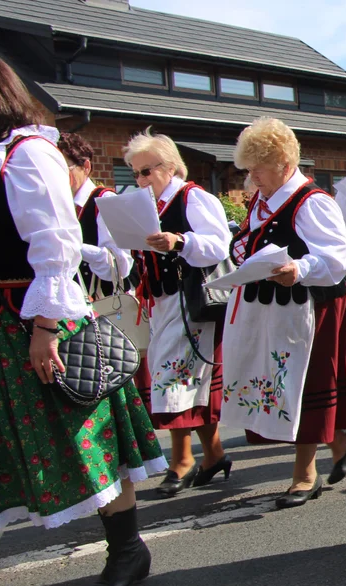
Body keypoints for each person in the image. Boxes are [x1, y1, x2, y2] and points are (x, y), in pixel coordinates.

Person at [0, 50, 167, 586]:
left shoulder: (29, 153)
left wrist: (44, 326)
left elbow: (56, 247)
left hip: (38, 321)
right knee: (2, 442)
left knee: (84, 437)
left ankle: (128, 549)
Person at [219, 117, 346, 508]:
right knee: (288, 380)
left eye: (258, 166)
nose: (251, 175)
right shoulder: (262, 199)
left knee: (306, 384)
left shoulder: (312, 202)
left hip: (313, 307)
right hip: (274, 308)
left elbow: (337, 258)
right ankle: (340, 440)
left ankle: (305, 474)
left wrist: (299, 269)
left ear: (283, 162)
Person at [124, 129, 233, 497]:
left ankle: (183, 459)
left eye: (145, 172)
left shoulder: (193, 197)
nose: (139, 180)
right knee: (186, 381)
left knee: (174, 377)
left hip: (190, 302)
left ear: (169, 167)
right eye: (135, 173)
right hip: (161, 301)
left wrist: (181, 241)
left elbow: (219, 244)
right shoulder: (147, 205)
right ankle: (213, 454)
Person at [57, 133, 134, 297]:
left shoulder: (108, 201)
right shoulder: (59, 206)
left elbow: (121, 266)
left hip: (107, 308)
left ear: (86, 166)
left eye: (63, 169)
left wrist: (74, 247)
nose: (56, 177)